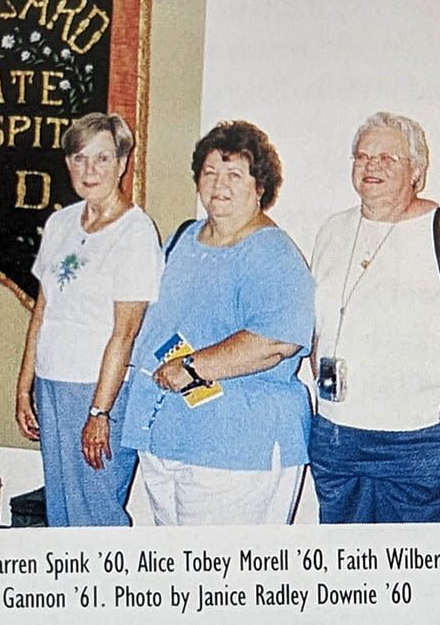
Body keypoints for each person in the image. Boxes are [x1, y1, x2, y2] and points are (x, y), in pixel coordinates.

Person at [308, 112, 440, 523]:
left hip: (426, 441)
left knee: (435, 574)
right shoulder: (332, 231)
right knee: (350, 575)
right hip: (340, 437)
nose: (371, 166)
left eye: (388, 158)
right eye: (362, 156)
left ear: (417, 172)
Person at [120, 120, 315, 526]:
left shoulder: (273, 254)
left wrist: (191, 369)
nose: (218, 184)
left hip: (237, 448)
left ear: (260, 186)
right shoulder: (182, 239)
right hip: (167, 438)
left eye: (234, 174)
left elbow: (275, 342)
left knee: (224, 576)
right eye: (209, 172)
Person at [14, 112, 163, 526]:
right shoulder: (60, 223)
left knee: (95, 511)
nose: (89, 170)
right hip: (53, 384)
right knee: (61, 508)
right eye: (79, 158)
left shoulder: (135, 233)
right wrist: (25, 387)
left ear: (122, 163)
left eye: (102, 158)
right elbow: (42, 310)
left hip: (100, 390)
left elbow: (126, 332)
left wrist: (99, 413)